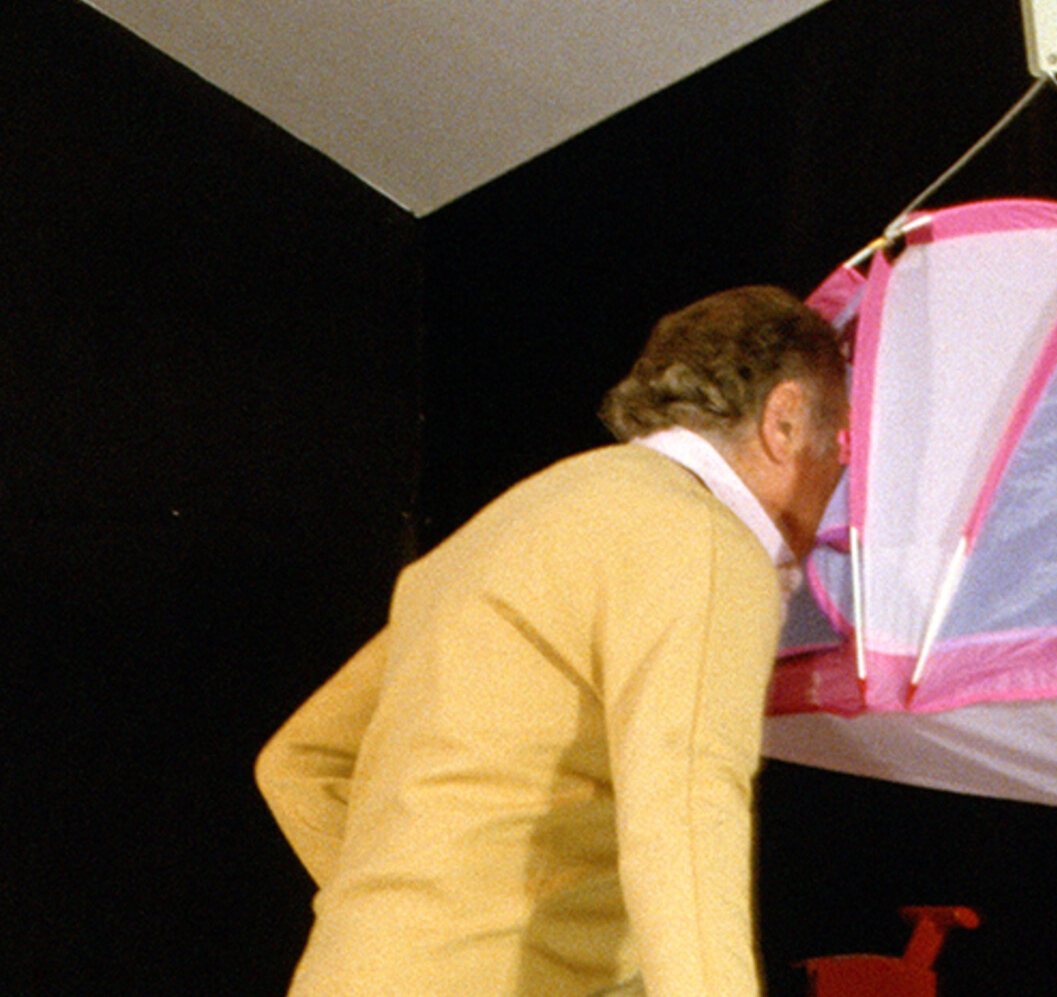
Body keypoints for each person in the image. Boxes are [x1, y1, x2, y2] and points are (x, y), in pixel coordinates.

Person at [257, 286, 847, 997]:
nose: (842, 471)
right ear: (783, 421)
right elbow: (684, 819)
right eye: (840, 440)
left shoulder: (522, 518)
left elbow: (298, 763)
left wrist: (420, 919)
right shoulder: (709, 544)